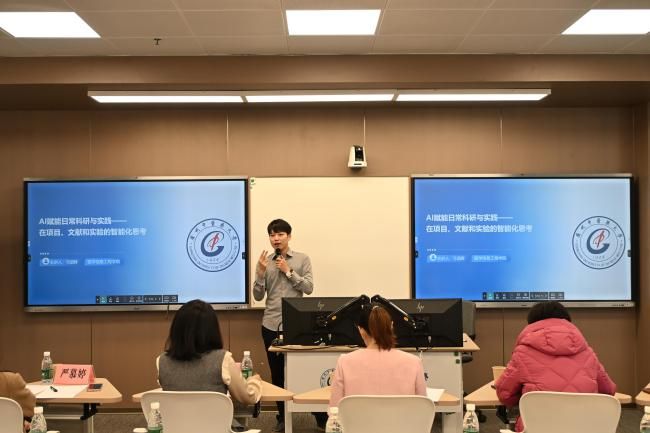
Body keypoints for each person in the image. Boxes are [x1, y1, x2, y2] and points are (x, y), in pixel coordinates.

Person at [495, 301, 616, 432]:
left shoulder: (522, 353)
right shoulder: (588, 352)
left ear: (532, 324)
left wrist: (526, 398)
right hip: (586, 427)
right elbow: (608, 391)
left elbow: (504, 394)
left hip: (539, 427)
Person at [156, 299, 262, 430]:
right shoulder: (223, 359)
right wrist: (255, 381)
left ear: (176, 329)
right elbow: (247, 397)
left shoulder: (161, 361)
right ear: (212, 330)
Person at [253, 218, 314, 432]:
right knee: (277, 373)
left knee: (306, 370)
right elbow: (257, 296)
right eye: (272, 235)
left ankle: (317, 414)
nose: (276, 239)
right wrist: (260, 275)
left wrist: (289, 271)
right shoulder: (265, 262)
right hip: (271, 324)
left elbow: (309, 288)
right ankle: (281, 416)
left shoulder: (302, 259)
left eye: (280, 234)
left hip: (296, 326)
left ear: (289, 236)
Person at [329, 303, 427, 407]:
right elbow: (423, 409)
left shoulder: (344, 362)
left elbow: (334, 410)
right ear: (391, 326)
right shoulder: (414, 362)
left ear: (361, 331)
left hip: (357, 418)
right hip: (400, 418)